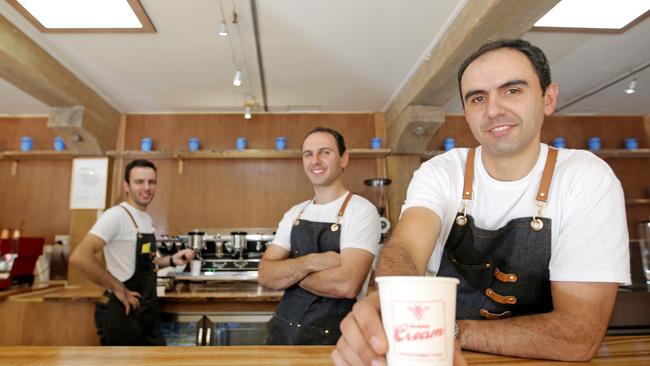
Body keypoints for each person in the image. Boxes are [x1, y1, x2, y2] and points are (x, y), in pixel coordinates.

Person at [333, 39, 630, 365]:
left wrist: (444, 331)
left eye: (512, 91)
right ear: (466, 113)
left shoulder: (586, 178)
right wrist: (385, 304)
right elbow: (404, 249)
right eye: (478, 98)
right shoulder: (442, 172)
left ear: (548, 98)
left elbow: (577, 336)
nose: (493, 110)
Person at [259, 127, 381, 345]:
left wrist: (290, 275)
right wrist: (315, 261)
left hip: (333, 341)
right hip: (280, 337)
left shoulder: (361, 211)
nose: (315, 160)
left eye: (325, 152)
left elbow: (347, 284)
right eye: (308, 154)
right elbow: (266, 275)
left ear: (344, 159)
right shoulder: (295, 212)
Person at [69, 159, 195, 346]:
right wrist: (118, 288)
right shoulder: (116, 216)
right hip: (125, 313)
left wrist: (170, 260)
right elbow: (80, 257)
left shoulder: (144, 218)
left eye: (151, 182)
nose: (146, 187)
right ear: (126, 186)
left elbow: (144, 263)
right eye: (139, 182)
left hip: (147, 312)